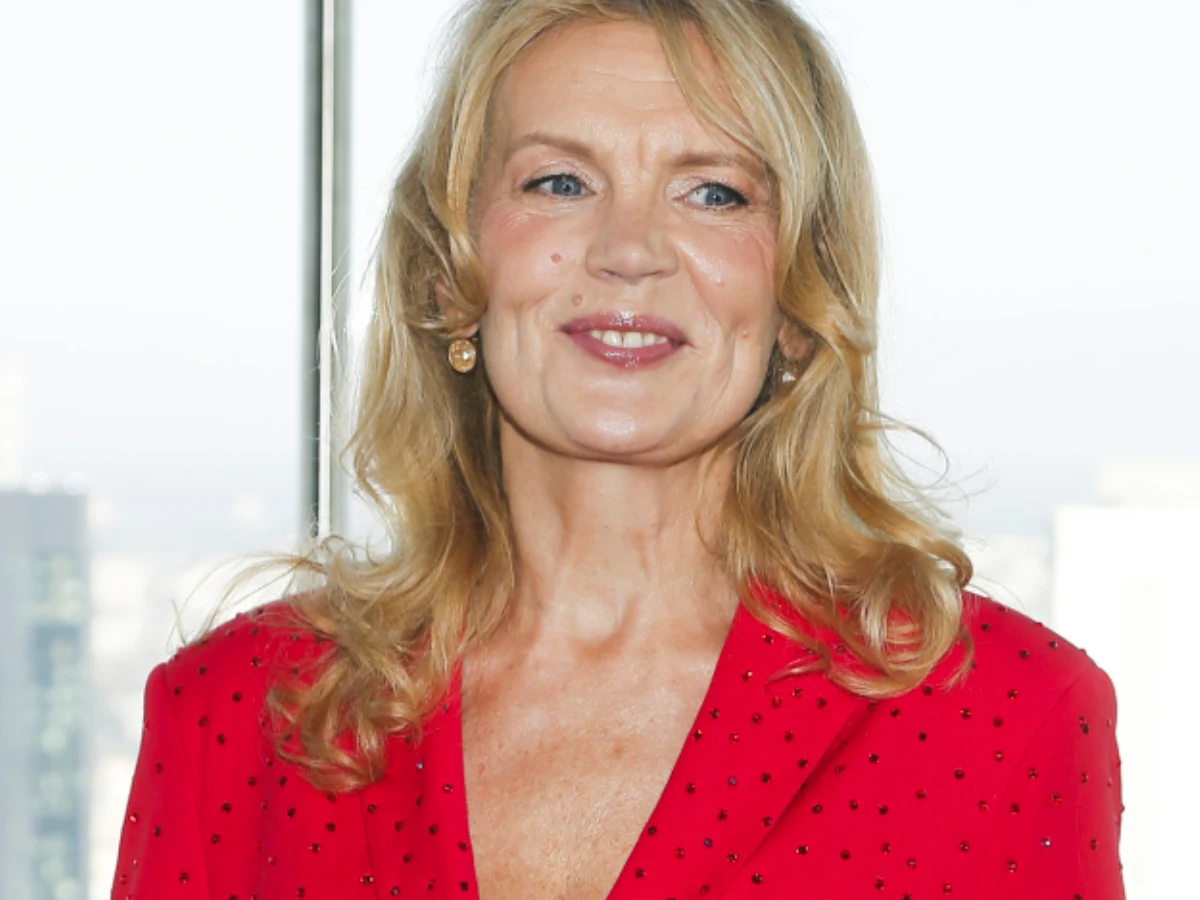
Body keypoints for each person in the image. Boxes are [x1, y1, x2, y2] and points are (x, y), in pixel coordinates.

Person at [111, 1, 1125, 898]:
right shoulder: (234, 715)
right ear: (446, 276)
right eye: (559, 181)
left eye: (714, 193)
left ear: (797, 301)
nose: (628, 250)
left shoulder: (1007, 717)